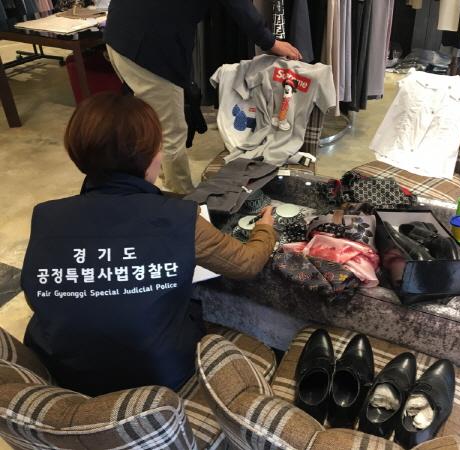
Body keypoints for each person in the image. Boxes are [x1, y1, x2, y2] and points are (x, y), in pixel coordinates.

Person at [20, 92, 277, 397]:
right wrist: (265, 229)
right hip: (160, 374)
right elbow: (247, 263)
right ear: (151, 156)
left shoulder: (47, 217)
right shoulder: (179, 218)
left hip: (65, 374)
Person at [104, 0, 302, 194]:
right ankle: (179, 195)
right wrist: (269, 41)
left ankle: (152, 182)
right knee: (171, 130)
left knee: (149, 120)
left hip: (121, 32)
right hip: (148, 47)